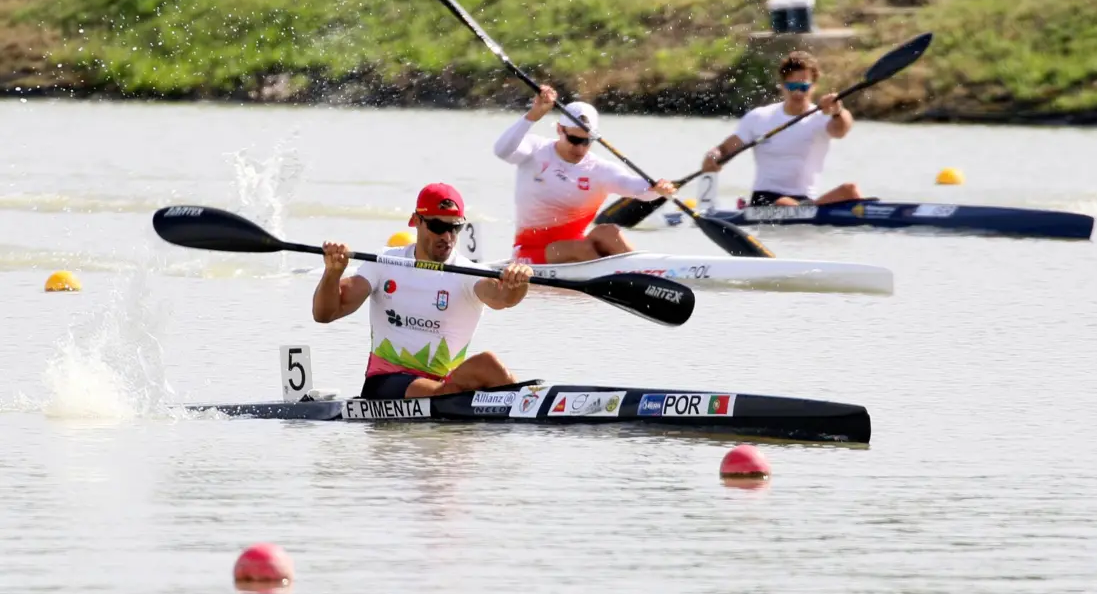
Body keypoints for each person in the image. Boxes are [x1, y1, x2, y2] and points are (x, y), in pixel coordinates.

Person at [312, 182, 533, 399]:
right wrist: (332, 273)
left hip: (444, 385)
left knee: (488, 365)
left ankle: (528, 406)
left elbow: (504, 298)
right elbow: (325, 313)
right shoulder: (384, 262)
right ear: (416, 221)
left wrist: (518, 282)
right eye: (437, 226)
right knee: (447, 392)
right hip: (386, 381)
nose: (447, 237)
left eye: (454, 227)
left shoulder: (469, 272)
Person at [493, 85, 677, 264]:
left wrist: (657, 189)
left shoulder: (598, 169)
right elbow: (502, 150)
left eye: (587, 141)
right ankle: (619, 277)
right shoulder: (535, 149)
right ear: (559, 129)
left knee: (608, 231)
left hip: (579, 248)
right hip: (530, 251)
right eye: (574, 139)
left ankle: (644, 271)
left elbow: (634, 187)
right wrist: (533, 116)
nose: (580, 148)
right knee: (580, 249)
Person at [700, 51, 859, 207]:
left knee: (850, 190)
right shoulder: (759, 117)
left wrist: (837, 111)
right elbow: (725, 149)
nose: (797, 92)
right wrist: (713, 155)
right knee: (783, 203)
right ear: (782, 86)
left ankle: (810, 210)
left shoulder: (823, 118)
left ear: (814, 87)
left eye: (803, 87)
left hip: (805, 201)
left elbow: (841, 130)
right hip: (765, 199)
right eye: (792, 86)